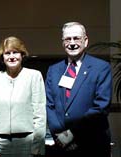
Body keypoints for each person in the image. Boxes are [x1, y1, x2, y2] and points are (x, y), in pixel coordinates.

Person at [45, 22, 112, 157]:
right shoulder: (53, 70)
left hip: (92, 143)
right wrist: (60, 136)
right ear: (63, 43)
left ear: (85, 41)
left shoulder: (101, 68)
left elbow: (100, 107)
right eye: (68, 39)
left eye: (76, 38)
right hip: (62, 146)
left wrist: (72, 134)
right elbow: (49, 105)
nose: (72, 43)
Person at [0, 36, 46, 157]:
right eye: (7, 53)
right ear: (2, 57)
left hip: (28, 143)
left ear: (22, 55)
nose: (11, 57)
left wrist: (37, 145)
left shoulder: (34, 76)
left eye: (15, 52)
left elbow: (40, 115)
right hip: (2, 144)